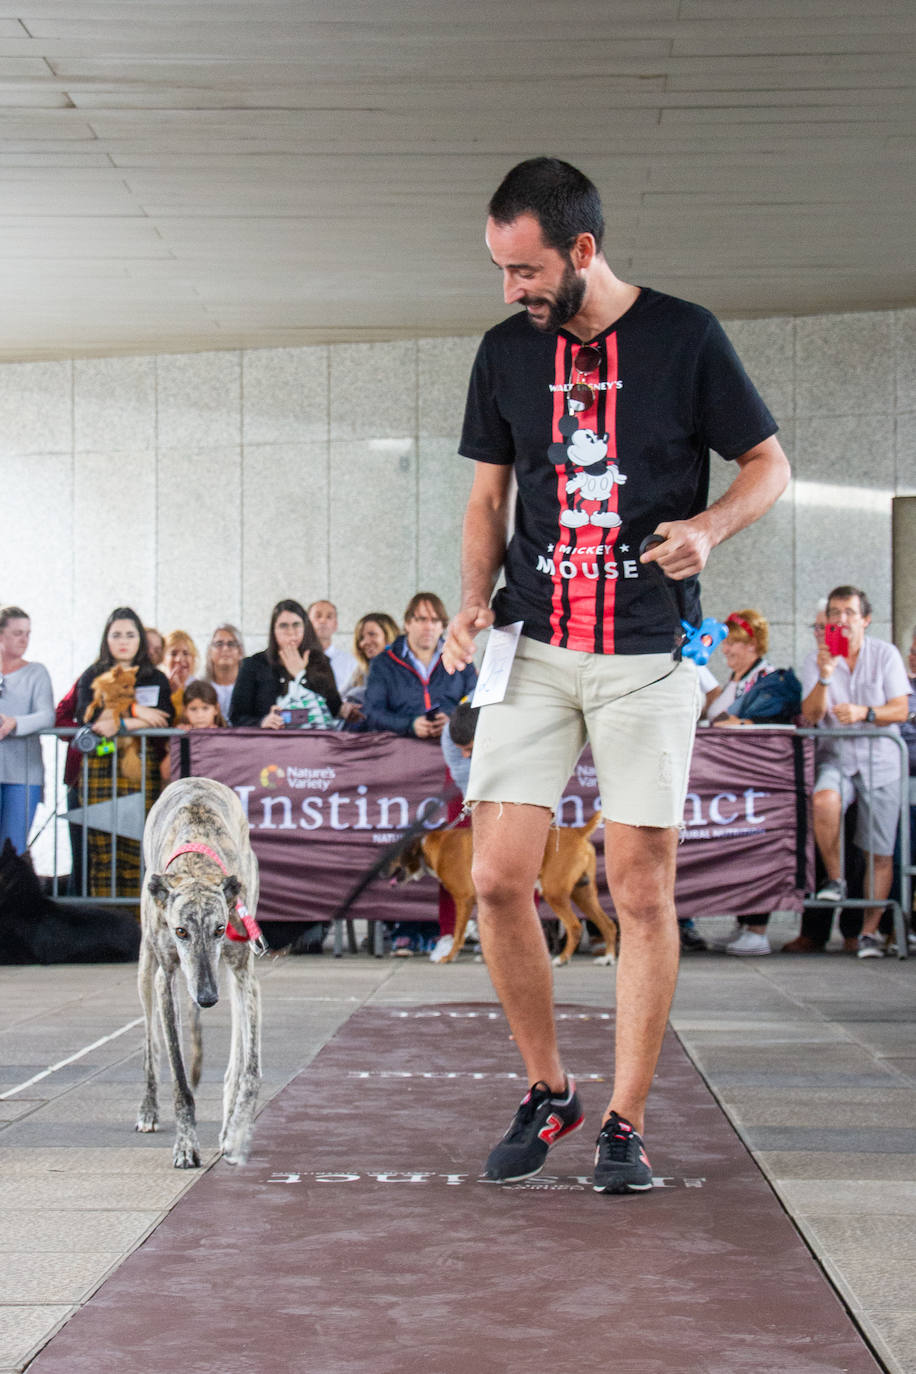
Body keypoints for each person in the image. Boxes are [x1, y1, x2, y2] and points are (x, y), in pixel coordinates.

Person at [443, 157, 789, 1191]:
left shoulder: (685, 338)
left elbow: (767, 463)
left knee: (636, 890)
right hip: (533, 648)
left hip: (646, 655)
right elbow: (484, 502)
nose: (510, 291)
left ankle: (626, 1125)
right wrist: (468, 599)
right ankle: (550, 1093)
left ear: (582, 250)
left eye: (525, 270)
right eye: (500, 271)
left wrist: (709, 528)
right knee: (500, 878)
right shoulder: (505, 354)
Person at [800, 585, 910, 959]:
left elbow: (902, 710)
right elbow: (812, 715)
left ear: (865, 619)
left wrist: (866, 713)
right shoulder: (816, 658)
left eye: (848, 612)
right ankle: (837, 879)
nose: (841, 620)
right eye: (834, 613)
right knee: (824, 799)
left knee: (879, 850)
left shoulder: (886, 655)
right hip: (838, 758)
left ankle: (868, 932)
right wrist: (826, 675)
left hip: (882, 761)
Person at [76, 607, 173, 898]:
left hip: (141, 769)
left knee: (138, 844)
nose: (123, 640)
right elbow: (91, 719)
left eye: (130, 634)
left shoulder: (155, 677)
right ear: (106, 638)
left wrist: (120, 721)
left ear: (140, 639)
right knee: (103, 845)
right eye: (116, 634)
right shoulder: (93, 674)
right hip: (100, 766)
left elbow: (163, 717)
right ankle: (106, 919)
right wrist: (136, 713)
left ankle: (138, 923)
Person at [364, 593, 477, 739]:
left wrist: (452, 719)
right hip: (402, 747)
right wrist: (410, 724)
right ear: (407, 623)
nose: (429, 627)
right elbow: (372, 713)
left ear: (443, 626)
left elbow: (475, 703)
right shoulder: (383, 663)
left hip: (452, 743)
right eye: (422, 619)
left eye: (435, 620)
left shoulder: (460, 657)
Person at [229, 599, 340, 728]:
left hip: (311, 742)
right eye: (283, 625)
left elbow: (333, 709)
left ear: (305, 628)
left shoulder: (320, 662)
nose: (291, 632)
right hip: (266, 743)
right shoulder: (253, 665)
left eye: (296, 625)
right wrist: (262, 722)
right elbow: (236, 717)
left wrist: (301, 676)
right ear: (273, 631)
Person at [0, 606, 54, 854]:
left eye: (27, 633)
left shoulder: (37, 672)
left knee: (13, 849)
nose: (24, 639)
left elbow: (46, 716)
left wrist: (14, 723)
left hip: (24, 775)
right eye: (17, 633)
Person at [308, 601, 358, 696]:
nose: (323, 621)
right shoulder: (298, 660)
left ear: (335, 625)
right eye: (318, 616)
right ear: (307, 623)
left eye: (329, 617)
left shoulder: (351, 662)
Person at [202, 623, 244, 720]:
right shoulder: (201, 686)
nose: (225, 649)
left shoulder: (250, 687)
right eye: (219, 644)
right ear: (210, 652)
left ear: (240, 652)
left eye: (231, 644)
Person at [163, 630, 199, 720]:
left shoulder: (201, 688)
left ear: (193, 658)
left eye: (186, 653)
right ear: (163, 659)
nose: (179, 659)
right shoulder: (159, 686)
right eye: (173, 654)